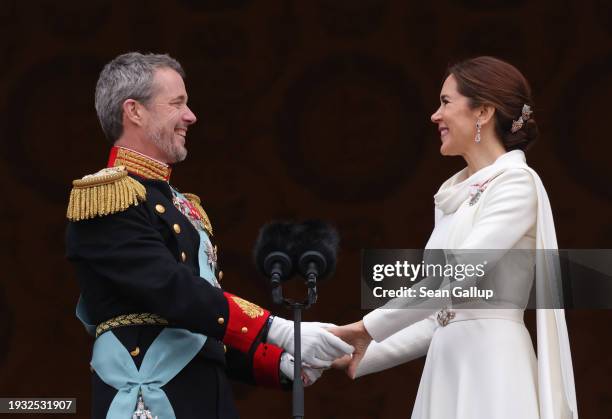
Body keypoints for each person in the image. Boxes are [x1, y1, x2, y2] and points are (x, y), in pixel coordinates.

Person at [65, 52, 353, 419]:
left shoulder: (182, 206)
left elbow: (202, 331)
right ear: (134, 111)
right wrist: (275, 329)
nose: (191, 116)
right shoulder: (106, 197)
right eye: (177, 104)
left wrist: (281, 363)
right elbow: (169, 289)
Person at [331, 57, 577, 419]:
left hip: (493, 366)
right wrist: (362, 352)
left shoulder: (515, 184)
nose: (435, 115)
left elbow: (455, 276)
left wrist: (366, 327)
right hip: (446, 366)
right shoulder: (452, 197)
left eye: (446, 102)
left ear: (484, 112)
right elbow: (440, 316)